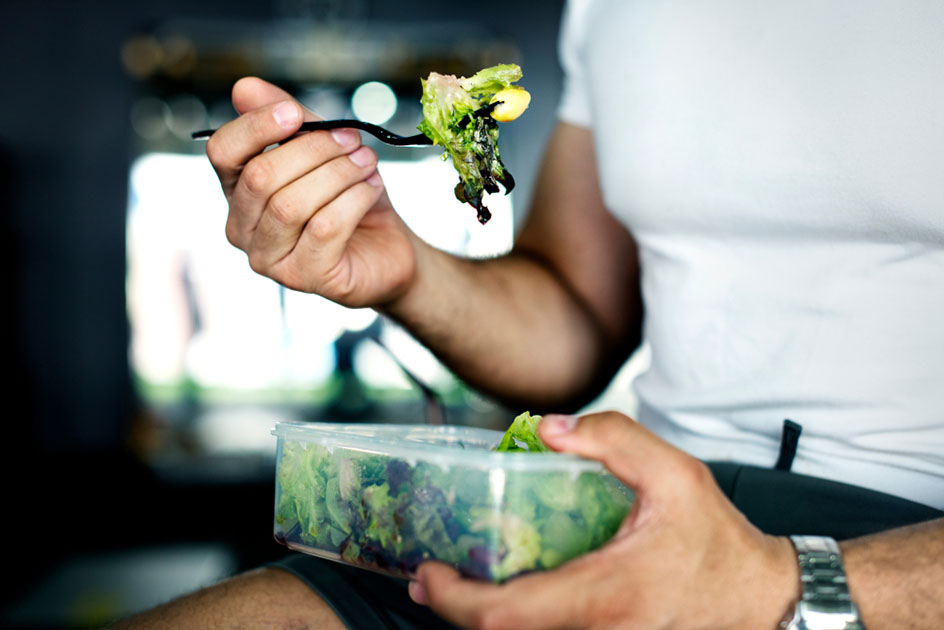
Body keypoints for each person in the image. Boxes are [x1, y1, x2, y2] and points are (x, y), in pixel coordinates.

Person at [109, 1, 944, 628]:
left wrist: (783, 588)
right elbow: (573, 317)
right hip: (618, 511)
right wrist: (408, 273)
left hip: (898, 549)